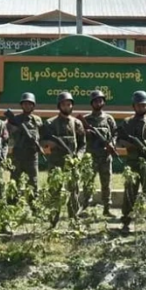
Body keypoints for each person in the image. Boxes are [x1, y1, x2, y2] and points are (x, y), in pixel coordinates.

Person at [116, 90, 146, 234]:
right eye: (138, 105)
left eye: (143, 105)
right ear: (134, 106)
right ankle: (126, 222)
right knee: (130, 193)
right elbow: (119, 140)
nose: (141, 108)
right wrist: (128, 144)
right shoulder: (127, 122)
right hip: (133, 163)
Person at [41, 92, 86, 226]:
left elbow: (83, 144)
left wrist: (78, 157)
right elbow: (42, 141)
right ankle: (53, 222)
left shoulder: (77, 123)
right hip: (55, 164)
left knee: (73, 193)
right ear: (59, 106)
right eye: (63, 104)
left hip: (72, 164)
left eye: (69, 104)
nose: (66, 107)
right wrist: (50, 143)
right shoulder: (50, 123)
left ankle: (73, 221)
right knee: (54, 192)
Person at [82, 90, 117, 217]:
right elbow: (80, 137)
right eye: (96, 101)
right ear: (92, 103)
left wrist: (112, 144)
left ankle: (107, 208)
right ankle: (85, 207)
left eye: (100, 100)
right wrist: (86, 133)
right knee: (88, 183)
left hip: (105, 157)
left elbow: (115, 134)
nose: (98, 103)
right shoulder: (86, 119)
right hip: (91, 156)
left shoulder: (109, 119)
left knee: (106, 183)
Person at [8, 92, 42, 205]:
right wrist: (17, 128)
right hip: (18, 156)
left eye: (30, 104)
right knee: (15, 182)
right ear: (21, 105)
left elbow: (41, 135)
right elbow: (9, 134)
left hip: (32, 156)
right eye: (25, 104)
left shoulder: (37, 120)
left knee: (33, 183)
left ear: (33, 105)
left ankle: (34, 207)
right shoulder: (15, 119)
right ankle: (12, 206)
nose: (27, 106)